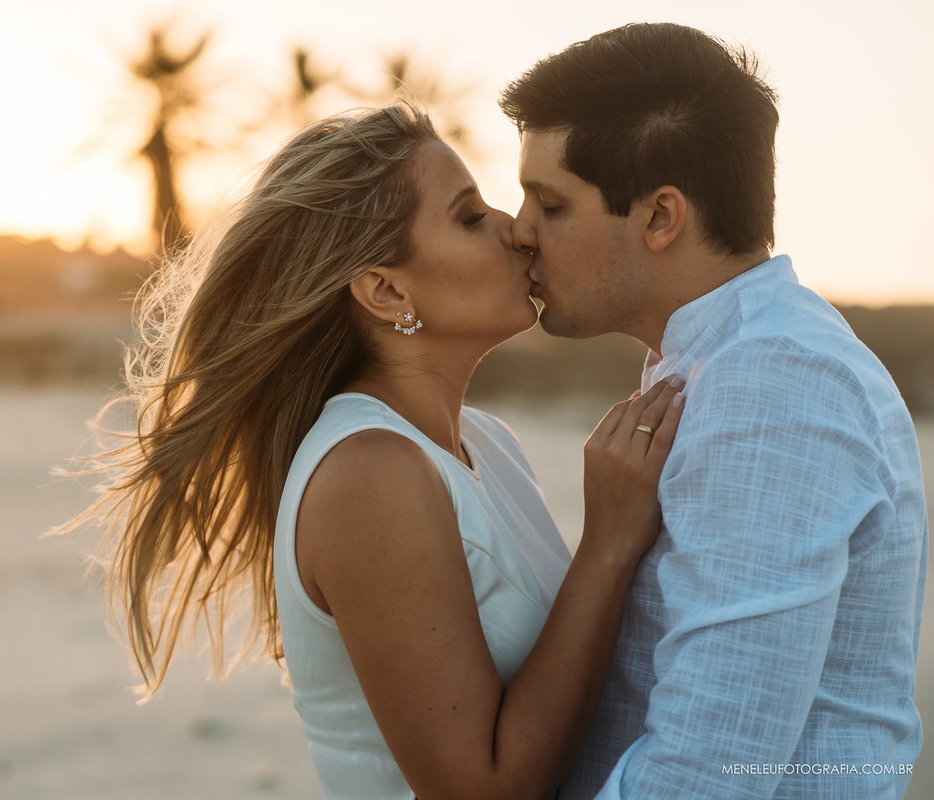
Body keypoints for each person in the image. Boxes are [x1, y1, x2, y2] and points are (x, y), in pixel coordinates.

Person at [60, 102, 685, 799]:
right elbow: (481, 791)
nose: (516, 229)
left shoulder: (485, 444)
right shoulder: (369, 474)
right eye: (469, 217)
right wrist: (606, 546)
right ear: (386, 290)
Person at [499, 22, 928, 798]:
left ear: (661, 218)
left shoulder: (775, 382)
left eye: (550, 203)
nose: (519, 231)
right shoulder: (722, 360)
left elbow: (708, 772)